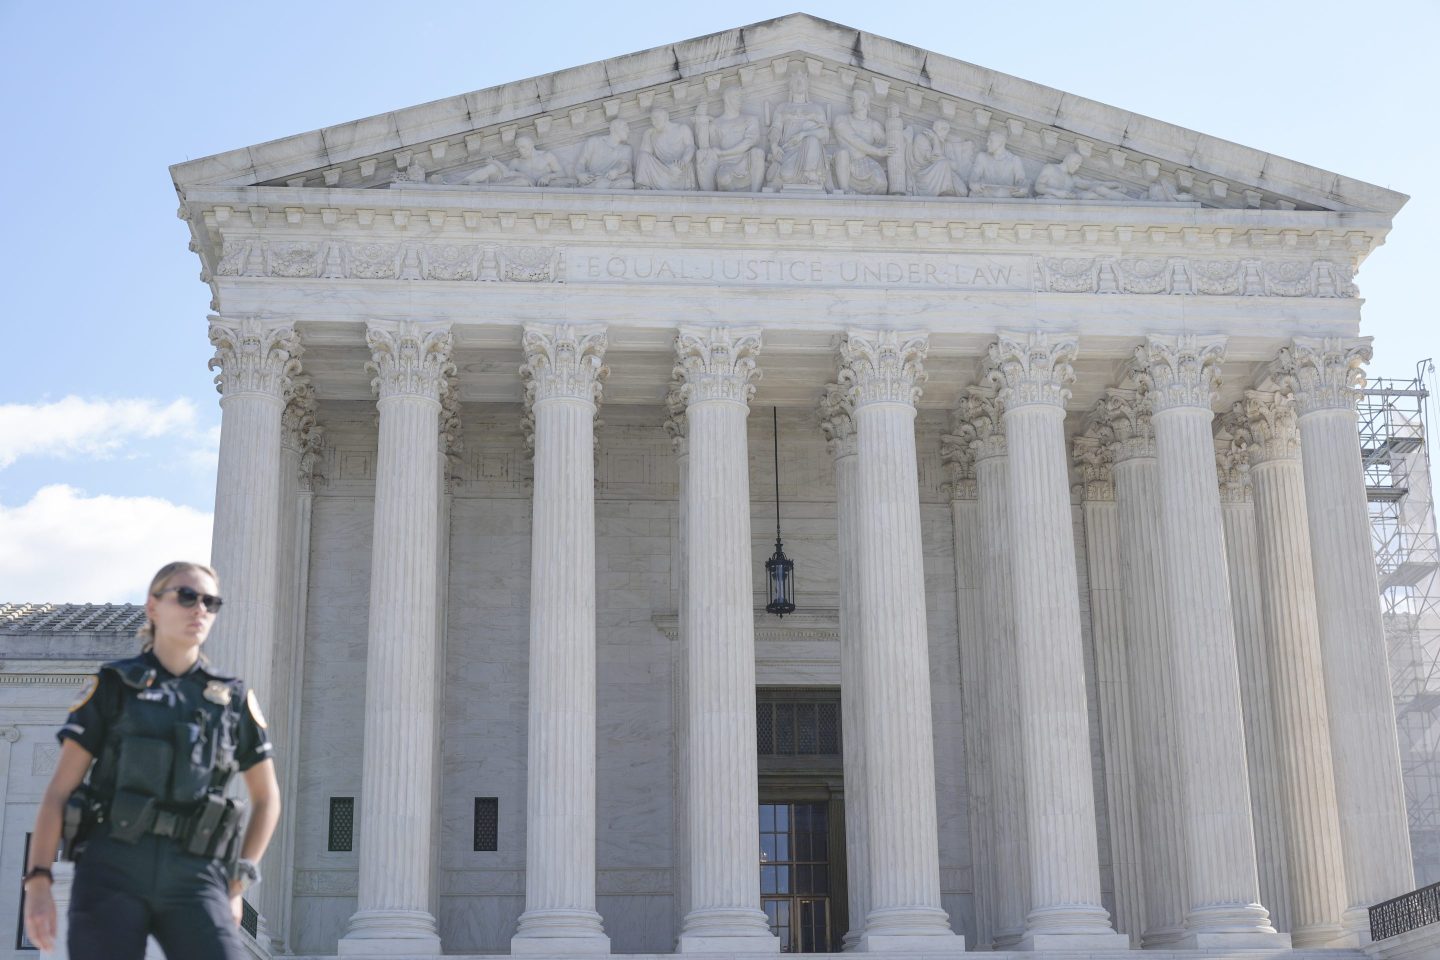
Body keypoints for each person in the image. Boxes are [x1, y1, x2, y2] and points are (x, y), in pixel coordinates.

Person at [22, 561, 281, 960]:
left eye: (211, 602)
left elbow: (267, 799)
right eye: (187, 596)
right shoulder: (113, 686)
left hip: (195, 874)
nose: (200, 609)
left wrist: (238, 881)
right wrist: (38, 879)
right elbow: (60, 790)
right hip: (113, 867)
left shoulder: (232, 701)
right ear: (152, 606)